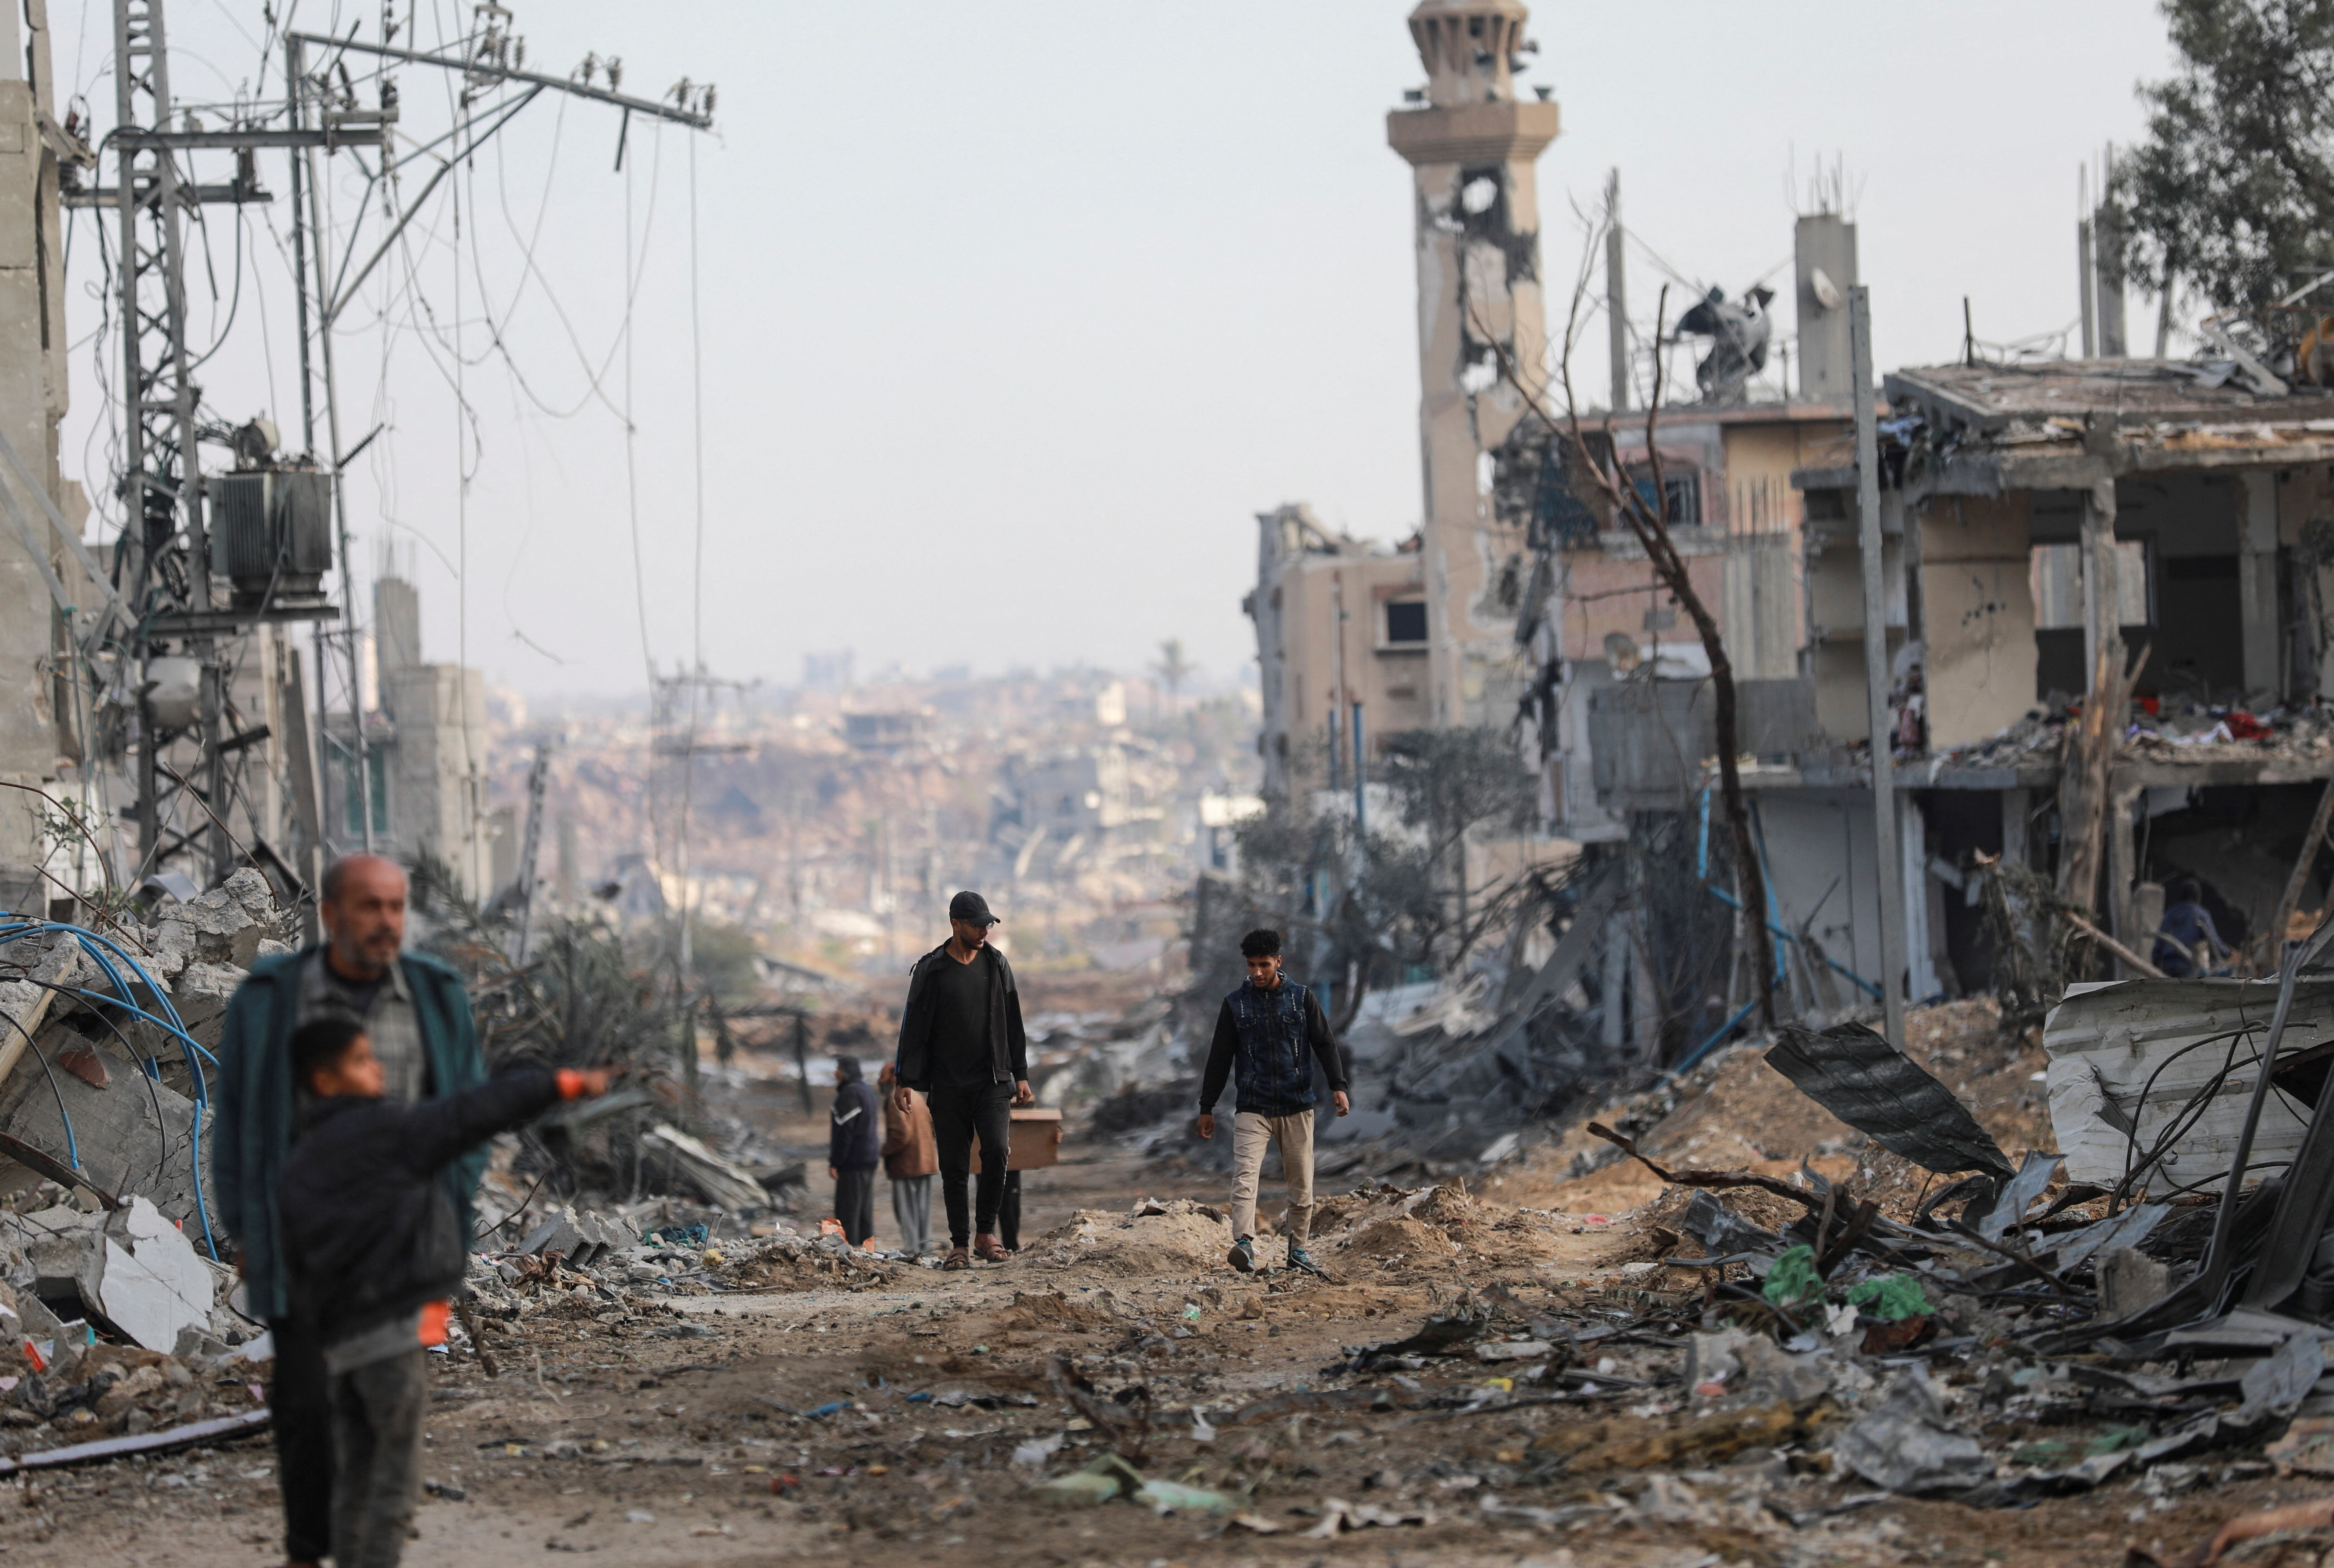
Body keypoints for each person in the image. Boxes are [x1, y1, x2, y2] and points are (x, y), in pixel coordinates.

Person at [213, 853, 487, 1568]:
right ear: (330, 915)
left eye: (396, 907)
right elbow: (239, 1116)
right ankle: (308, 1552)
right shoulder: (273, 999)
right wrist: (246, 1226)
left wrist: (450, 1218)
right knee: (305, 1410)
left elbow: (465, 1119)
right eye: (369, 907)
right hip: (305, 1247)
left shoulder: (436, 997)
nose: (386, 923)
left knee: (384, 1416)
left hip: (397, 1251)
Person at [278, 1015, 610, 1568]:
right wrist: (567, 1083)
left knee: (353, 1461)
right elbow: (477, 1108)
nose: (377, 1067)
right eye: (361, 1060)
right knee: (393, 1472)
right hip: (389, 1328)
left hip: (328, 1333)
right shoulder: (387, 1131)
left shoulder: (299, 1150)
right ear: (325, 1078)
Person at [1195, 928, 1350, 1275]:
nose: (1257, 973)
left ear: (1278, 962)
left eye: (1264, 965)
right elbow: (1219, 1057)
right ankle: (1244, 1244)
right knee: (1245, 1175)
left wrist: (1338, 1085)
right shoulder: (1235, 1004)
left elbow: (1324, 1043)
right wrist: (1207, 1106)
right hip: (1253, 1104)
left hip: (1297, 1104)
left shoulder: (1302, 998)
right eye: (1251, 966)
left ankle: (1298, 1250)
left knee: (1301, 1183)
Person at [892, 890, 1032, 1270]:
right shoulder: (932, 969)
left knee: (997, 1151)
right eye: (977, 924)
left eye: (988, 924)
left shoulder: (997, 964)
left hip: (993, 1081)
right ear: (956, 924)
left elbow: (1013, 1022)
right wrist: (905, 1078)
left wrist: (1020, 1073)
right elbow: (914, 1025)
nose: (985, 930)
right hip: (948, 1084)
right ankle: (959, 1244)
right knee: (954, 1166)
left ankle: (986, 1232)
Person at [877, 1062, 937, 1257]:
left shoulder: (896, 1098)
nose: (880, 1081)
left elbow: (900, 1134)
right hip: (926, 1162)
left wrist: (885, 1151)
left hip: (906, 1164)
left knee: (907, 1211)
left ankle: (913, 1250)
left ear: (895, 1077)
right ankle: (925, 1249)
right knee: (922, 1211)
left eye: (883, 1076)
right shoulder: (917, 1096)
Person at [828, 1055, 880, 1247]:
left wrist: (836, 1162)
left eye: (839, 1069)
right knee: (864, 1210)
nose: (836, 1073)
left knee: (848, 1211)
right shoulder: (865, 1091)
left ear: (846, 1072)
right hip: (869, 1159)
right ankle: (867, 1251)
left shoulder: (849, 1094)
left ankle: (850, 1252)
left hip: (854, 1162)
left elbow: (845, 1133)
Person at [2154, 875, 2230, 977]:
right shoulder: (2201, 913)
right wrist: (2227, 953)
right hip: (2188, 962)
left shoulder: (2171, 913)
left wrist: (2155, 961)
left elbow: (2159, 940)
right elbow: (2213, 938)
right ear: (2198, 896)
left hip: (2168, 962)